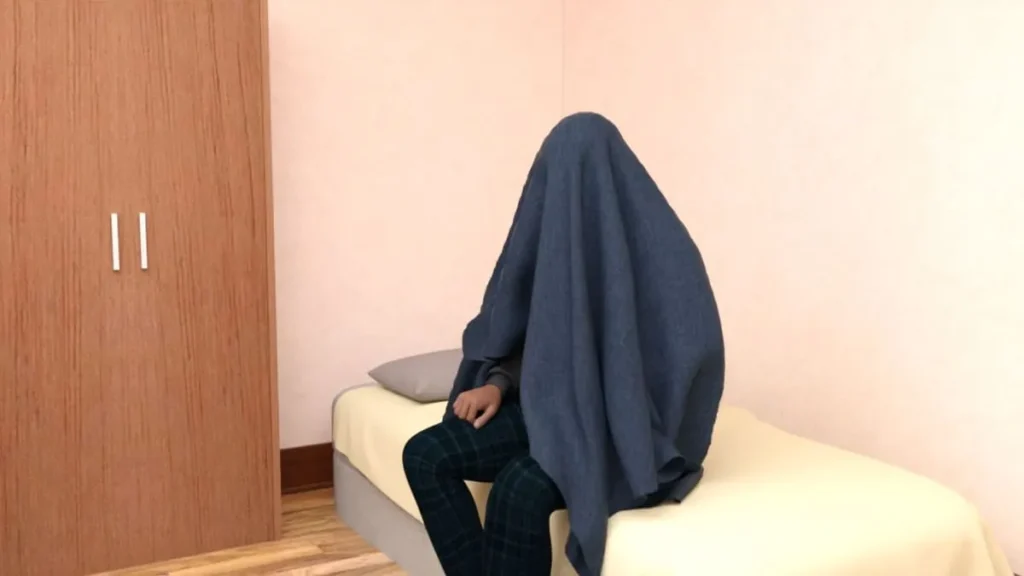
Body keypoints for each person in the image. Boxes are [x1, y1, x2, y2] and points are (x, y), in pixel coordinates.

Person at [403, 113, 725, 576]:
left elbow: (690, 354)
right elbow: (530, 329)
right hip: (542, 406)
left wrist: (635, 429)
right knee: (425, 455)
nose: (561, 188)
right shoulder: (550, 242)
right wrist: (497, 383)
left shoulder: (666, 253)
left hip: (618, 430)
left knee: (519, 489)